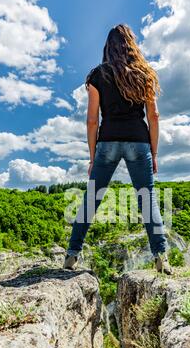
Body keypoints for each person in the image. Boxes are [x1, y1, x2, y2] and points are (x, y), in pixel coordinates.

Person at [63, 24, 172, 274]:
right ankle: (161, 257)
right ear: (131, 44)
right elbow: (153, 116)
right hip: (138, 141)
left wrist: (93, 157)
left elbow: (92, 121)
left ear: (108, 47)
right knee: (147, 199)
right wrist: (153, 153)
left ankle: (71, 255)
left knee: (92, 199)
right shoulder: (144, 74)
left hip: (108, 141)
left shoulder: (97, 76)